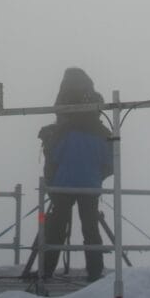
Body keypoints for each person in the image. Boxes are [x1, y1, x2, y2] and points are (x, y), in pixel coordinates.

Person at [38, 67, 113, 282]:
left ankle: (47, 271)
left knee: (56, 228)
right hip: (89, 185)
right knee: (90, 228)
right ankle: (95, 272)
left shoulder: (63, 134)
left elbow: (54, 158)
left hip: (63, 184)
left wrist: (51, 181)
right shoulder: (101, 135)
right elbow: (109, 163)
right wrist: (97, 177)